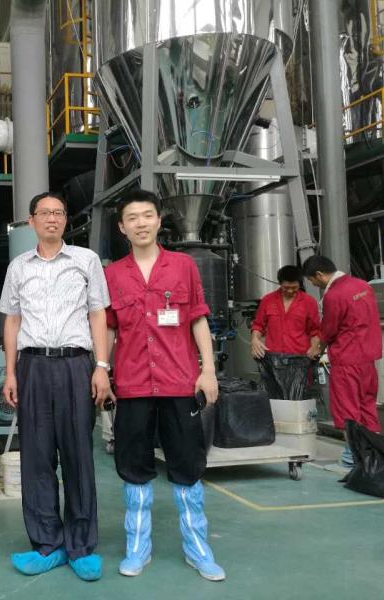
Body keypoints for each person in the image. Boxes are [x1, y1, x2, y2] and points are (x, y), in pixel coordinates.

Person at [104, 189, 225, 582]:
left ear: (159, 220)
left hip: (178, 382)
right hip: (133, 384)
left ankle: (198, 548)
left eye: (147, 215)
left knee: (187, 465)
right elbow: (109, 328)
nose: (141, 223)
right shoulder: (112, 275)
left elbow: (197, 318)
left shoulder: (183, 266)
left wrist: (208, 370)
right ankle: (137, 546)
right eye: (132, 218)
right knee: (134, 467)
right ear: (122, 227)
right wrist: (102, 370)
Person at [0, 192, 112, 582]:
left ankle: (80, 545)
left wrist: (101, 366)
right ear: (31, 221)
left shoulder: (86, 260)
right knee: (37, 458)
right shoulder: (18, 267)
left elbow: (98, 314)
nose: (52, 218)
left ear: (66, 220)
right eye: (44, 213)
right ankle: (47, 543)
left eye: (59, 213)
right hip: (32, 365)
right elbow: (12, 320)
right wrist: (11, 373)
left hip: (76, 365)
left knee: (78, 455)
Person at [302, 255, 382, 467]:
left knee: (347, 410)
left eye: (312, 280)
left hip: (346, 360)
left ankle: (353, 458)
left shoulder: (334, 295)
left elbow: (329, 329)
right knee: (367, 406)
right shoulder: (363, 285)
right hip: (368, 358)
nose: (313, 284)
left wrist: (316, 349)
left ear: (319, 274)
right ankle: (374, 456)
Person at [250, 265, 321, 360]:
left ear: (300, 284)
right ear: (280, 284)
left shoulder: (309, 302)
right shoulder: (267, 300)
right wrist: (254, 339)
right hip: (273, 357)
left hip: (300, 357)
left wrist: (314, 347)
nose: (290, 291)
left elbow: (315, 331)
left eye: (294, 287)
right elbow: (258, 325)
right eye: (286, 287)